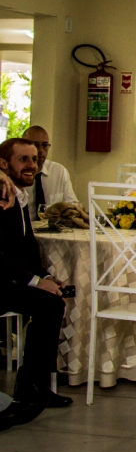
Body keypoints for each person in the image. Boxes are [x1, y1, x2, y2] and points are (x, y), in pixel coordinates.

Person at [0, 139, 73, 409]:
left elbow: (27, 250)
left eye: (35, 159)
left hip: (9, 280)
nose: (33, 165)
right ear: (3, 164)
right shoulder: (1, 197)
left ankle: (34, 384)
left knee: (54, 301)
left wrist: (46, 276)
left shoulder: (19, 196)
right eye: (24, 160)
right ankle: (31, 385)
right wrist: (35, 282)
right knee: (49, 305)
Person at [23, 125, 78, 217]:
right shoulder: (16, 172)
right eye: (35, 145)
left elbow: (72, 205)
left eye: (44, 145)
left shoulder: (59, 171)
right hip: (24, 229)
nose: (40, 150)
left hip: (54, 228)